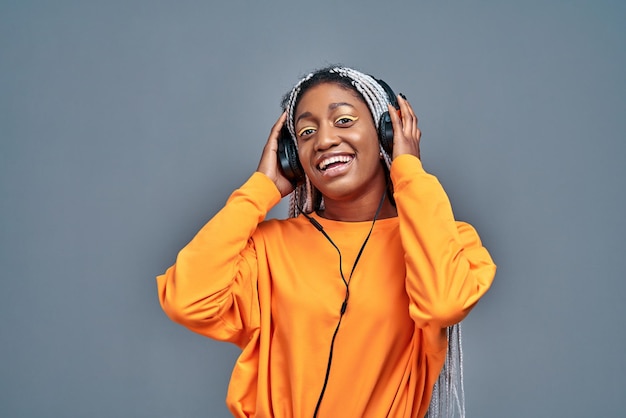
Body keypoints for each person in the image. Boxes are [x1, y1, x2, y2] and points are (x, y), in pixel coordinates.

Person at [157, 66, 496, 418]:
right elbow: (187, 301)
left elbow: (443, 304)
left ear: (387, 132)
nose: (323, 140)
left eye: (344, 121)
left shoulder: (444, 240)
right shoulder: (270, 249)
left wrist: (408, 168)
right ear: (292, 156)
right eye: (305, 132)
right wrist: (260, 189)